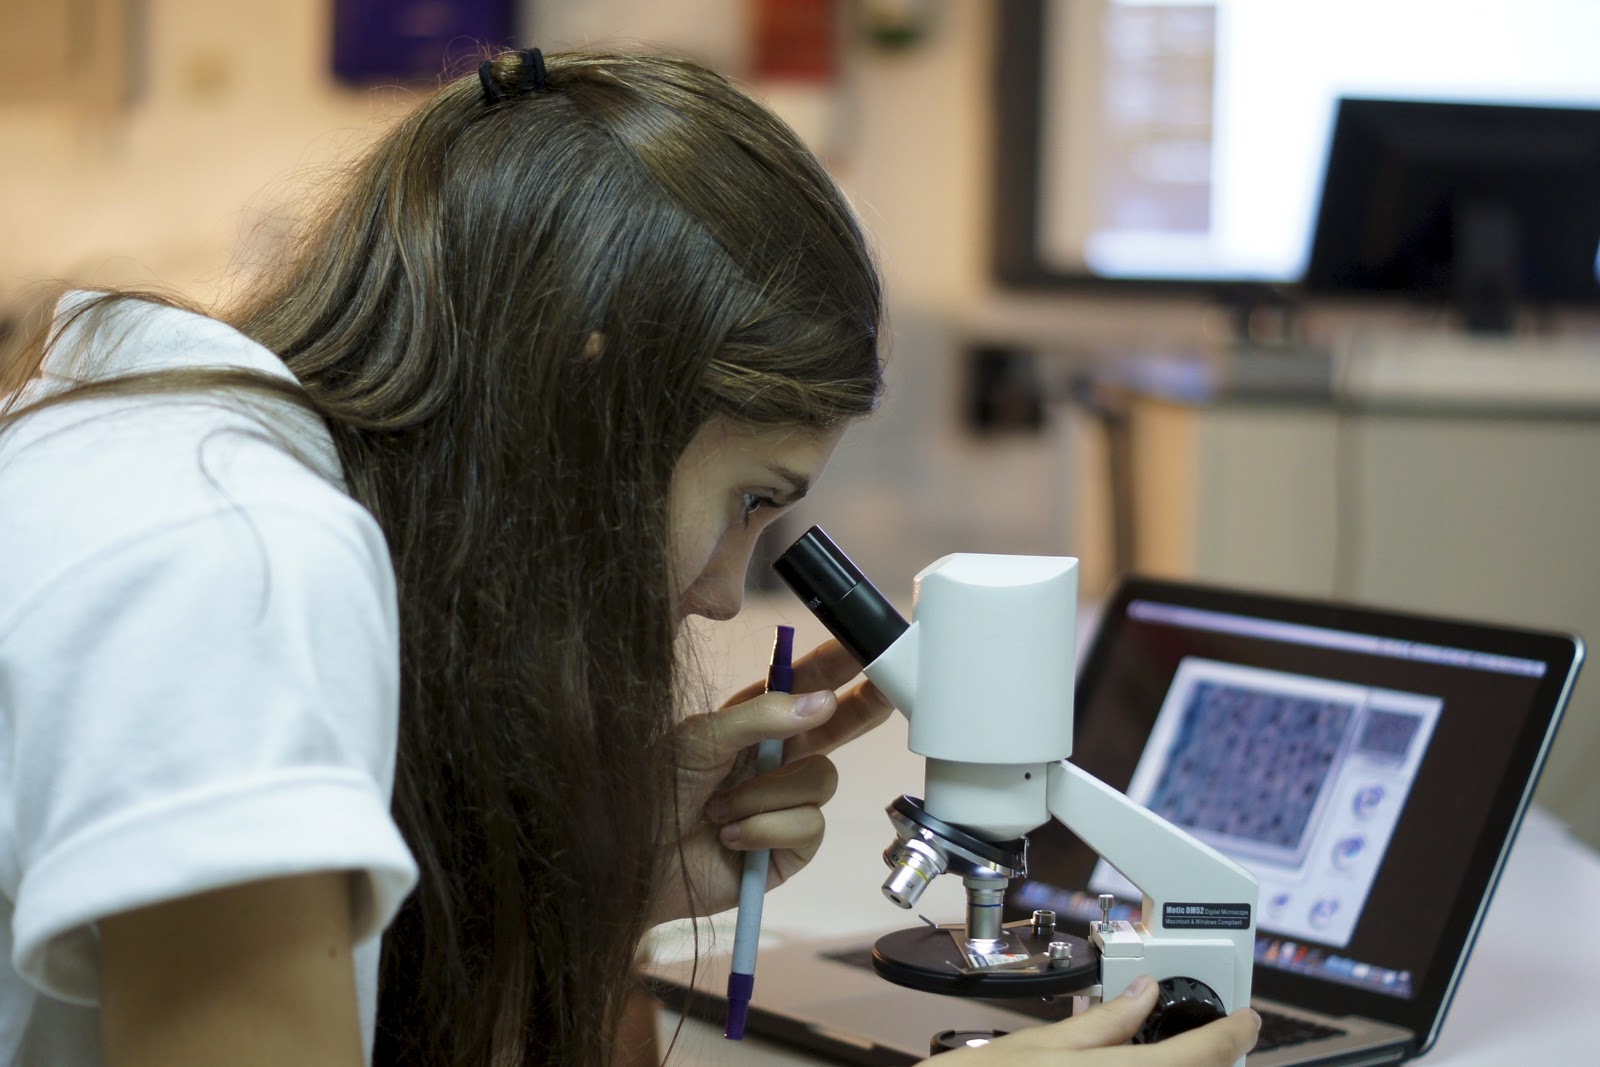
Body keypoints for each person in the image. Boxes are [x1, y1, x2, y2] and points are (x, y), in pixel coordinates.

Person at [0, 47, 1259, 1067]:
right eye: (749, 498)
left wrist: (581, 884)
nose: (721, 589)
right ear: (587, 389)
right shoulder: (236, 565)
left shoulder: (181, 439)